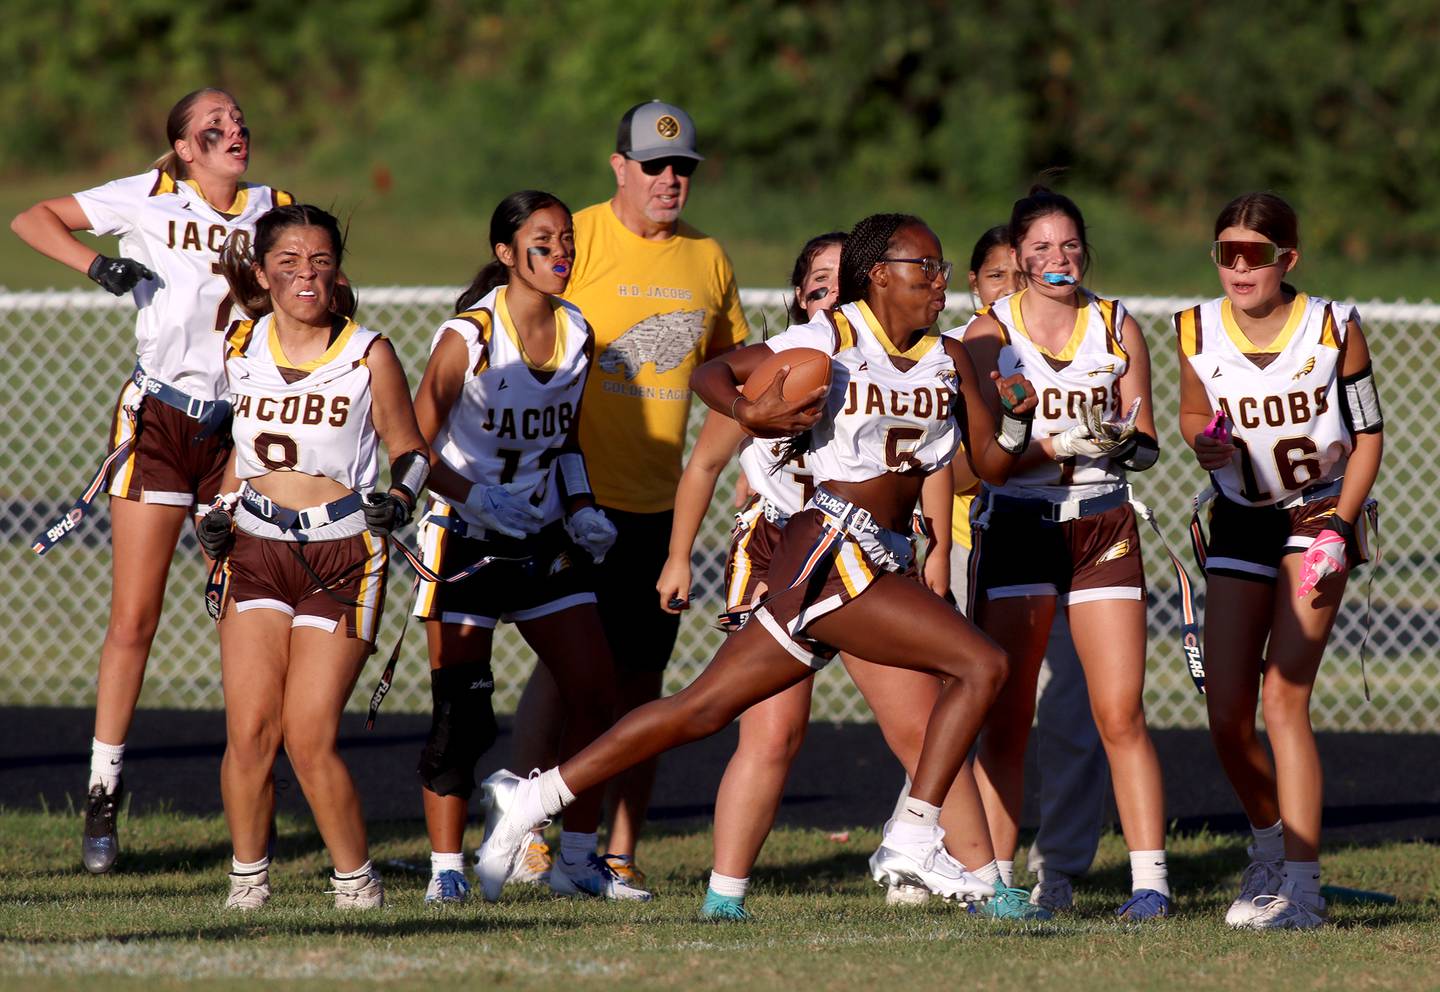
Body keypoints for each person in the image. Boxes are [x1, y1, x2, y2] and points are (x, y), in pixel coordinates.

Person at [476, 212, 1038, 908]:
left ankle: (533, 798)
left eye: (941, 267)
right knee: (982, 664)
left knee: (699, 710)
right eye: (925, 267)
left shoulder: (951, 357)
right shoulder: (826, 338)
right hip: (833, 545)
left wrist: (1018, 417)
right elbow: (714, 371)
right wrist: (751, 411)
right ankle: (915, 836)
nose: (940, 280)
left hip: (875, 554)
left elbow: (986, 466)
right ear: (880, 275)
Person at [656, 232, 1047, 920]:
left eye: (842, 280)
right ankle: (725, 895)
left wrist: (930, 550)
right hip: (788, 547)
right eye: (818, 284)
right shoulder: (798, 358)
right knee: (768, 730)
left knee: (925, 722)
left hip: (870, 555)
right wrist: (679, 552)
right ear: (803, 293)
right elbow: (708, 457)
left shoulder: (902, 358)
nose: (831, 295)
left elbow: (926, 465)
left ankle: (985, 880)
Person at [10, 89, 296, 874]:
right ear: (183, 147)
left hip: (240, 431)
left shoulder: (275, 209)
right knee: (134, 618)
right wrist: (95, 262)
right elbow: (31, 218)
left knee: (244, 610)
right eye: (215, 126)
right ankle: (103, 792)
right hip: (161, 423)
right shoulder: (147, 192)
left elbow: (314, 290)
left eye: (240, 121)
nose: (234, 131)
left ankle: (253, 789)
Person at [504, 100, 749, 889]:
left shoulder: (707, 258)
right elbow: (516, 330)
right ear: (620, 168)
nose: (670, 180)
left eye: (683, 168)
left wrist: (751, 453)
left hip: (658, 506)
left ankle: (616, 850)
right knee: (569, 672)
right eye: (654, 166)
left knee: (642, 682)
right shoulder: (574, 240)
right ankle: (528, 833)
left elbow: (732, 369)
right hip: (572, 496)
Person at [406, 191, 643, 905]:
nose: (561, 252)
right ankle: (446, 868)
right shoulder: (470, 336)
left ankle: (575, 855)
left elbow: (566, 440)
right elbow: (411, 445)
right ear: (507, 253)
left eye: (567, 239)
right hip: (469, 541)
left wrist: (581, 506)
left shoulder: (577, 332)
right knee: (461, 712)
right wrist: (475, 496)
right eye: (543, 241)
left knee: (599, 691)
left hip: (542, 540)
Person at [200, 204, 429, 910]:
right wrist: (217, 514)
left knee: (307, 733)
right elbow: (236, 460)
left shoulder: (369, 352)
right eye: (291, 262)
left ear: (338, 272)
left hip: (343, 556)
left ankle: (355, 881)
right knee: (249, 731)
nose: (307, 275)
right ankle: (248, 881)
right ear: (263, 272)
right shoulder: (239, 345)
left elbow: (411, 450)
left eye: (321, 261)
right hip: (259, 550)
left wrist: (400, 497)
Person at [964, 186, 1172, 919]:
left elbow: (1145, 440)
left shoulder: (1117, 325)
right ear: (1018, 257)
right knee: (1009, 714)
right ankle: (999, 883)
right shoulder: (987, 334)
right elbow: (978, 463)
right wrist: (1053, 443)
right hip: (1021, 524)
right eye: (1043, 248)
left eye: (1070, 245)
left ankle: (1150, 887)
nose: (1059, 259)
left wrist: (1123, 442)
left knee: (1119, 712)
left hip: (1102, 525)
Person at [1178, 192, 1383, 930]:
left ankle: (1303, 888)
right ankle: (1267, 847)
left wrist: (1342, 527)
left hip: (1317, 513)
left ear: (1286, 260)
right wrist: (1204, 439)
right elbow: (1193, 412)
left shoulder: (1333, 326)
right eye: (1226, 252)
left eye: (1255, 254)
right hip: (1240, 519)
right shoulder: (1196, 328)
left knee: (1282, 698)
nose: (1239, 267)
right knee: (1226, 713)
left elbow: (1368, 437)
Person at [952, 226, 1110, 913]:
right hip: (979, 539)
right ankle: (963, 858)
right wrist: (1031, 443)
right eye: (996, 276)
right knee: (977, 711)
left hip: (1082, 532)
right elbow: (960, 470)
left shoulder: (1100, 326)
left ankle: (1062, 868)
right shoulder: (973, 345)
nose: (1011, 290)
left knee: (1077, 706)